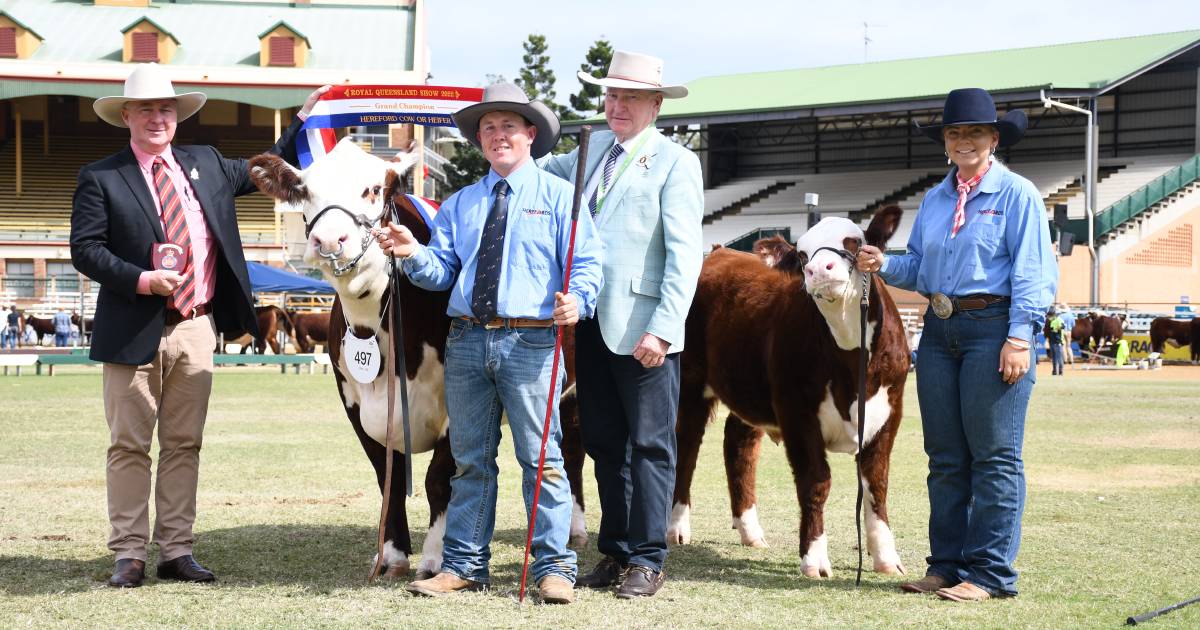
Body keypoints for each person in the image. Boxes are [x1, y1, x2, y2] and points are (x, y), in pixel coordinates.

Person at [70, 63, 324, 588]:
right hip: (133, 326)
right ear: (127, 116)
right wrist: (141, 280)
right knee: (129, 446)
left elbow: (268, 166)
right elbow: (85, 249)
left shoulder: (206, 163)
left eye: (166, 109)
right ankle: (129, 554)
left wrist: (306, 116)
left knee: (185, 443)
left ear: (177, 116)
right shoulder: (101, 176)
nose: (157, 118)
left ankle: (177, 550)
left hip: (196, 327)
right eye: (146, 109)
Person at [375, 82, 603, 604]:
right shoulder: (460, 204)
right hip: (467, 343)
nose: (498, 135)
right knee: (470, 460)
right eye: (488, 128)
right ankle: (463, 566)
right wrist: (413, 252)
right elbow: (441, 275)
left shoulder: (561, 199)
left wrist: (579, 301)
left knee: (541, 460)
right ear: (480, 140)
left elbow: (588, 266)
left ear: (530, 135)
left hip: (533, 342)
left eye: (508, 126)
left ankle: (553, 569)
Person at [856, 88, 1057, 602]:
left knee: (994, 457)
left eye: (973, 132)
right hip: (941, 331)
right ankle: (945, 566)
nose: (963, 141)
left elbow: (1034, 272)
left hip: (994, 328)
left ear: (993, 138)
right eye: (953, 133)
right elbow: (921, 268)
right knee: (944, 457)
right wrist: (883, 263)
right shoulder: (938, 198)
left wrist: (1019, 336)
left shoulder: (1018, 195)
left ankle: (990, 574)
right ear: (944, 142)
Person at [539, 50, 704, 598]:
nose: (618, 106)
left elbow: (684, 256)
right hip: (589, 323)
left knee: (651, 446)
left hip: (644, 330)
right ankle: (616, 552)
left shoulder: (677, 163)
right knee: (606, 444)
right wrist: (510, 126)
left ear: (656, 105)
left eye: (630, 97)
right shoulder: (586, 156)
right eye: (611, 96)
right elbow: (531, 172)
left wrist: (662, 328)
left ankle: (650, 558)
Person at [1046, 308, 1065, 375]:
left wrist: (1057, 329)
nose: (1049, 317)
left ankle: (1060, 371)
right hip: (1052, 341)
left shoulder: (1059, 320)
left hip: (1058, 342)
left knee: (1059, 357)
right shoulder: (1052, 321)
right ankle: (1054, 371)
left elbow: (1063, 326)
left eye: (1050, 315)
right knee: (1053, 357)